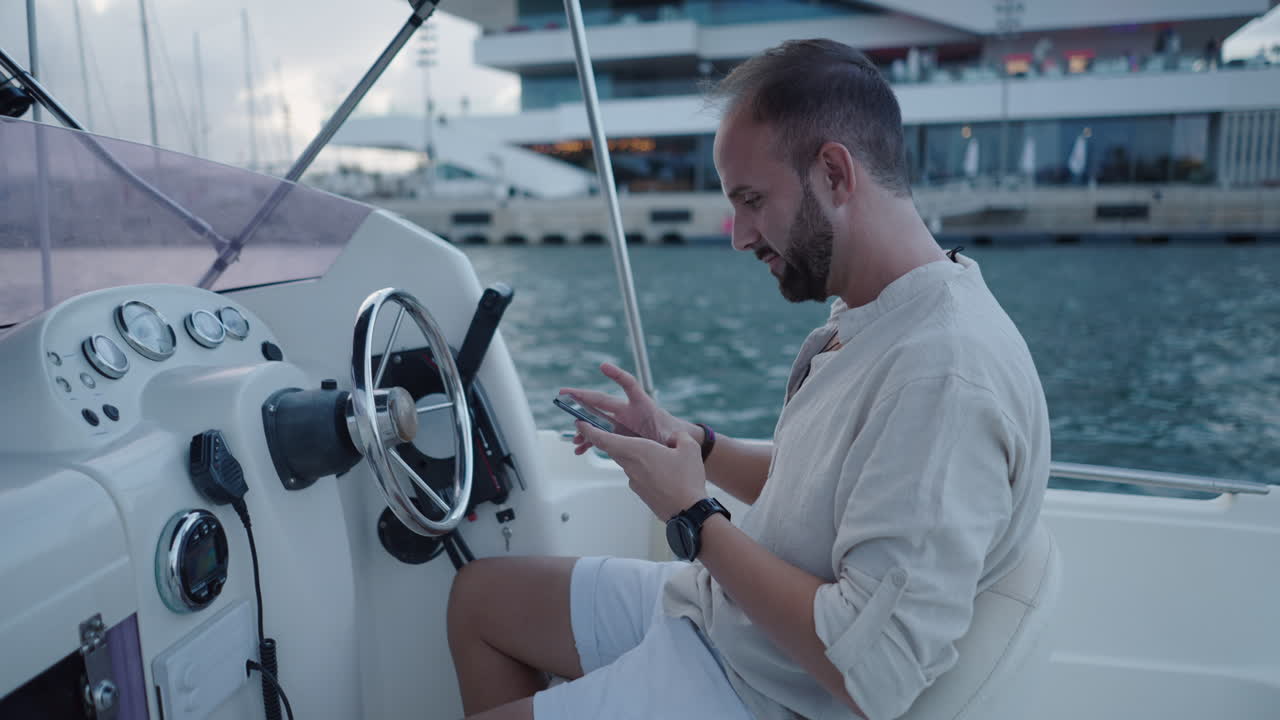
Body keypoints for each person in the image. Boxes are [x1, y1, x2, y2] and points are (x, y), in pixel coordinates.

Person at [447, 38, 1050, 720]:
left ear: (834, 174)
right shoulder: (879, 310)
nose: (739, 235)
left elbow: (874, 672)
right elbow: (824, 492)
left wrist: (694, 517)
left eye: (753, 200)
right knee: (480, 599)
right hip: (721, 618)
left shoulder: (945, 375)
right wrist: (692, 444)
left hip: (760, 690)